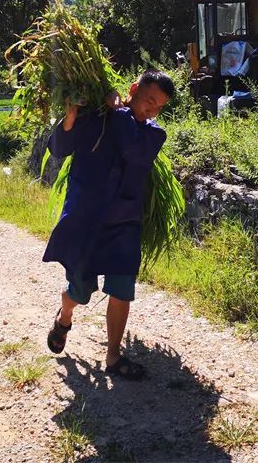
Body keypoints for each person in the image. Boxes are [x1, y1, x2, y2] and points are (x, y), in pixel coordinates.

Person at [42, 69, 175, 380]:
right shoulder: (97, 118)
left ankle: (113, 356)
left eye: (159, 107)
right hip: (86, 220)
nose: (151, 110)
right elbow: (59, 149)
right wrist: (72, 115)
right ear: (133, 89)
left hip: (124, 223)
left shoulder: (152, 134)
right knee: (80, 291)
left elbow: (132, 150)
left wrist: (118, 110)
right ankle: (64, 318)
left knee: (122, 288)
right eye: (149, 101)